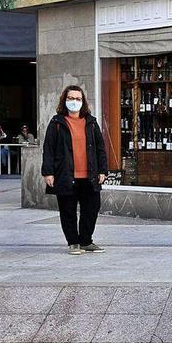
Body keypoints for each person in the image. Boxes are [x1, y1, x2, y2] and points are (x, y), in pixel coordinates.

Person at [41, 85, 108, 256]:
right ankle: (73, 242)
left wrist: (103, 170)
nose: (74, 102)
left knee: (91, 208)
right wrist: (48, 172)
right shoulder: (57, 123)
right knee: (68, 210)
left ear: (83, 101)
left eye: (78, 99)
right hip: (65, 175)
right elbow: (48, 149)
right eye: (71, 98)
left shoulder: (91, 123)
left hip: (89, 175)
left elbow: (100, 148)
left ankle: (86, 240)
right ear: (64, 100)